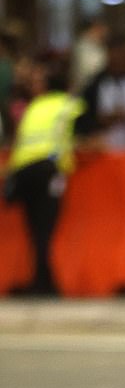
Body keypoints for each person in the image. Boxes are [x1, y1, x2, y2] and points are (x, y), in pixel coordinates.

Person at [3, 56, 85, 295]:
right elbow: (86, 130)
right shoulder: (69, 104)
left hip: (24, 172)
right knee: (44, 230)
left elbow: (20, 143)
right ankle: (45, 283)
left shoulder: (33, 107)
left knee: (36, 230)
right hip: (48, 171)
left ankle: (43, 281)